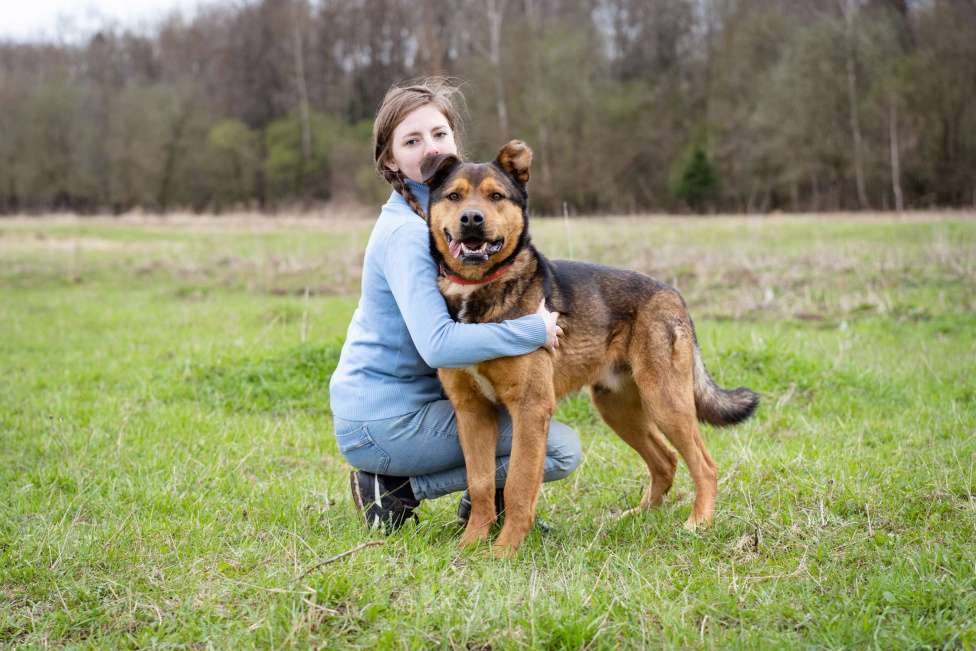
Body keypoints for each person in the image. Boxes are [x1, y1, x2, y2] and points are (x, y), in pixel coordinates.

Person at [329, 77, 582, 533]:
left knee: (507, 412)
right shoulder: (408, 234)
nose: (429, 147)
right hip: (386, 419)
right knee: (558, 448)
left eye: (439, 134)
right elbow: (438, 346)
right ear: (390, 159)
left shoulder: (444, 218)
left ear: (454, 143)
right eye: (411, 140)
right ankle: (395, 491)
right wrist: (534, 329)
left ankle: (486, 501)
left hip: (414, 406)